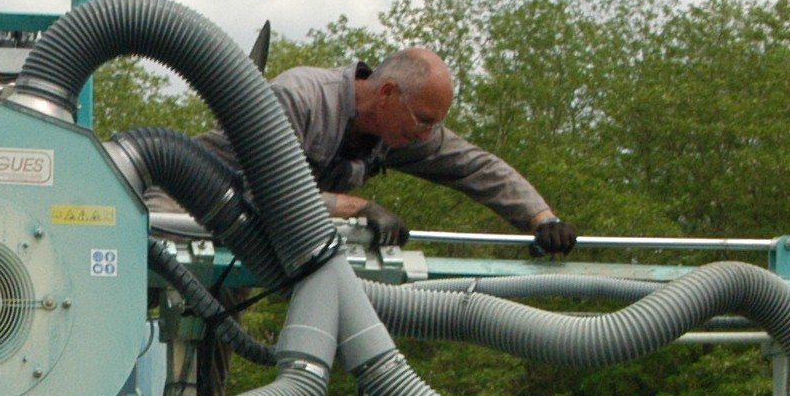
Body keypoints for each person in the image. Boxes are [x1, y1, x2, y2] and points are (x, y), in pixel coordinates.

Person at [212, 46, 576, 255]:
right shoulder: (298, 98)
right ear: (387, 95)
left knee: (213, 350)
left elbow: (473, 166)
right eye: (423, 120)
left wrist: (542, 219)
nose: (426, 136)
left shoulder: (398, 130)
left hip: (242, 244)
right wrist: (361, 208)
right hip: (182, 213)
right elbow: (264, 191)